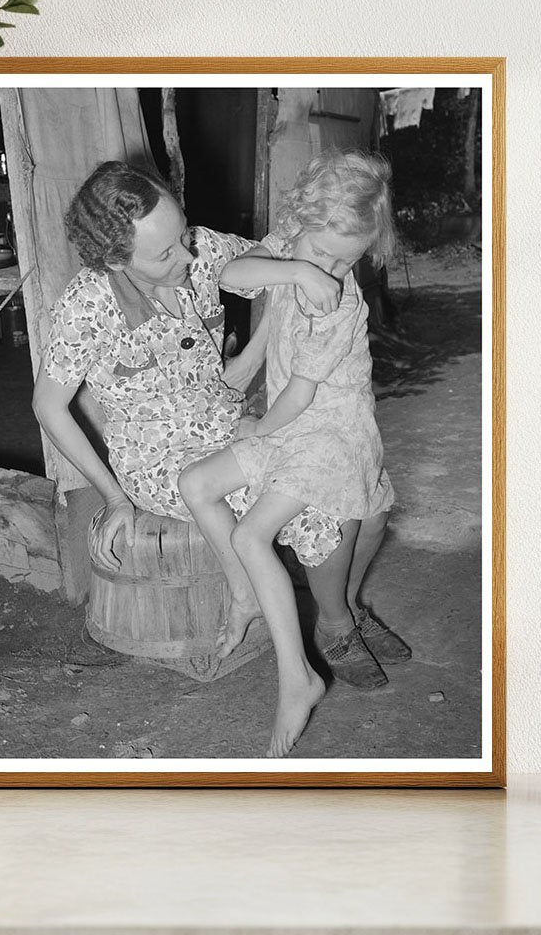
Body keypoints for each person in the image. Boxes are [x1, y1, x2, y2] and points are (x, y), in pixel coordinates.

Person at [33, 159, 407, 702]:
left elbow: (275, 256)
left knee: (356, 496)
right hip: (161, 457)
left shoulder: (199, 249)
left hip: (229, 422)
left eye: (183, 235)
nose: (188, 255)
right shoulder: (86, 307)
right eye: (166, 253)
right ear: (116, 259)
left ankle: (336, 617)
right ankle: (334, 627)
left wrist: (304, 269)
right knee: (316, 504)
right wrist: (113, 496)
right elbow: (49, 407)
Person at [178, 149, 405, 758]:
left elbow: (302, 396)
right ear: (298, 221)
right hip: (290, 422)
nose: (330, 272)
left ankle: (299, 676)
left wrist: (256, 430)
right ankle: (261, 597)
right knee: (195, 482)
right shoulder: (287, 246)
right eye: (322, 253)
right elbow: (232, 276)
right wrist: (295, 270)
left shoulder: (342, 306)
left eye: (346, 262)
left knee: (260, 534)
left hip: (327, 432)